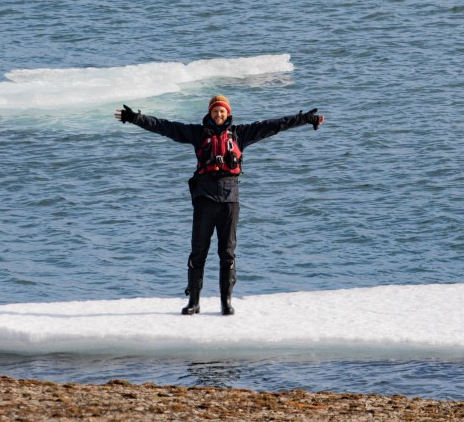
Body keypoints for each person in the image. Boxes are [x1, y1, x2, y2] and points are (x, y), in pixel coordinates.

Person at [115, 95, 324, 316]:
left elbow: (274, 125)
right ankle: (194, 302)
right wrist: (136, 118)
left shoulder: (241, 134)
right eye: (215, 111)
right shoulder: (197, 134)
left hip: (230, 201)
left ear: (228, 113)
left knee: (227, 253)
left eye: (222, 111)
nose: (219, 114)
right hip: (204, 200)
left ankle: (226, 302)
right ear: (210, 113)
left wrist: (305, 119)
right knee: (198, 253)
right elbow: (166, 127)